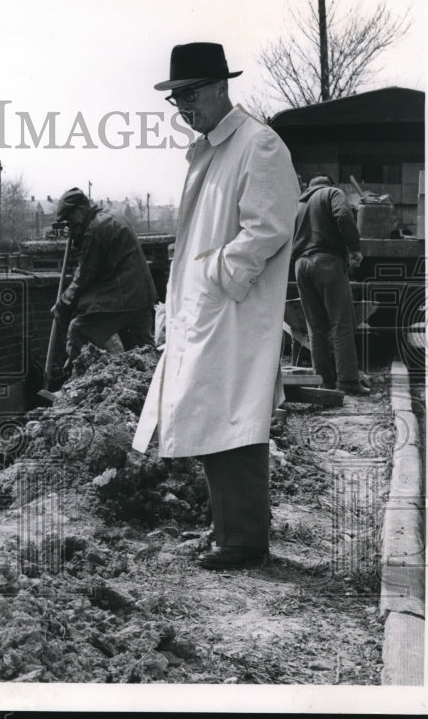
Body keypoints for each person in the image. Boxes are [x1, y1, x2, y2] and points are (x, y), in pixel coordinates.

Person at [131, 43, 300, 569]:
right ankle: (230, 530)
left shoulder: (258, 144)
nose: (184, 105)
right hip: (210, 309)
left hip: (232, 308)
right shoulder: (213, 148)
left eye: (192, 93)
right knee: (213, 416)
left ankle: (244, 541)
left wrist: (220, 275)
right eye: (176, 97)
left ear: (223, 87)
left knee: (234, 418)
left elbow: (269, 226)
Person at [50, 187, 157, 369]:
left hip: (123, 296)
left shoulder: (94, 230)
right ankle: (155, 389)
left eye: (69, 217)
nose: (68, 223)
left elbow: (84, 275)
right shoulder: (110, 216)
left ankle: (79, 387)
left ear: (81, 210)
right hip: (141, 294)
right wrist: (77, 235)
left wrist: (63, 304)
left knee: (79, 329)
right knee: (143, 355)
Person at [292, 175, 369, 395]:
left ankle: (324, 382)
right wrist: (354, 249)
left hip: (300, 265)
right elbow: (343, 215)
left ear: (309, 186)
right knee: (341, 323)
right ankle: (347, 382)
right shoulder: (333, 193)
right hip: (326, 262)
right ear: (330, 183)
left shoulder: (298, 203)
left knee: (316, 327)